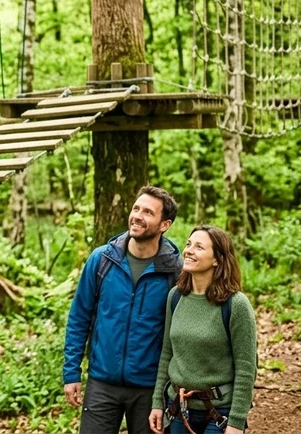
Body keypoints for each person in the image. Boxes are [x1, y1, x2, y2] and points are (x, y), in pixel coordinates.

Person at [63, 186, 183, 434]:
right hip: (102, 383)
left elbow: (181, 332)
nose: (137, 215)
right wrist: (71, 372)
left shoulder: (175, 271)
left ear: (165, 225)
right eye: (136, 208)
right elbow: (79, 318)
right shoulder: (102, 260)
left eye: (148, 212)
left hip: (150, 390)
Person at [149, 225, 256, 434]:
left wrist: (236, 422)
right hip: (179, 407)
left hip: (219, 410)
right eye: (189, 244)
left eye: (199, 247)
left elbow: (246, 368)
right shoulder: (175, 297)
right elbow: (167, 354)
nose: (189, 251)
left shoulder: (236, 304)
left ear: (217, 259)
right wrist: (157, 403)